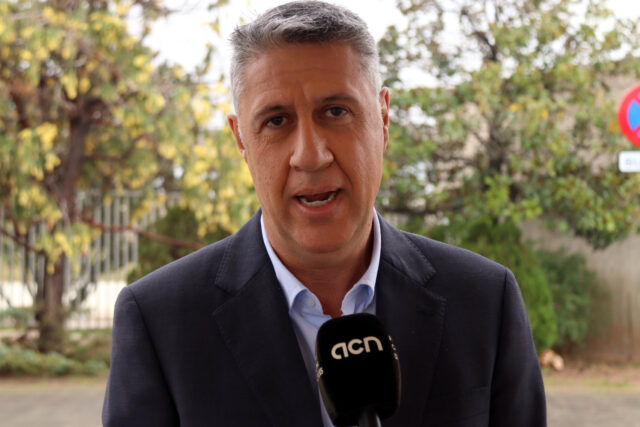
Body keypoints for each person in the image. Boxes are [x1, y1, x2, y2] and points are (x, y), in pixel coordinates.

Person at [102, 1, 547, 426]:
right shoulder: (160, 322)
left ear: (383, 118)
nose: (310, 155)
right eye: (276, 121)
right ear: (241, 140)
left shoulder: (485, 302)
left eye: (335, 111)